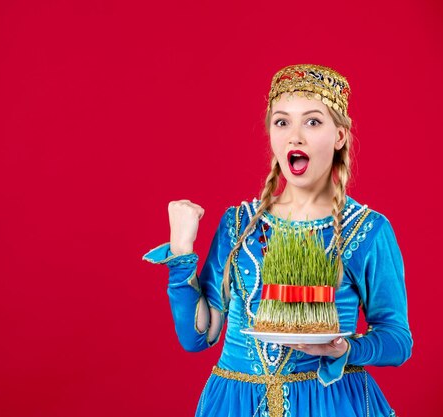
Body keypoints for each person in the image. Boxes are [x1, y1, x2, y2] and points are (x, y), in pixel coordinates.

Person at [142, 64, 412, 417]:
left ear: (340, 136)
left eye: (312, 122)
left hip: (329, 403)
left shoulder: (368, 229)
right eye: (282, 121)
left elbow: (397, 338)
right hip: (236, 403)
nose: (294, 137)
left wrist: (344, 349)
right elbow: (198, 338)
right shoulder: (236, 225)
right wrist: (180, 249)